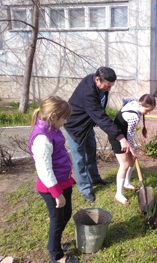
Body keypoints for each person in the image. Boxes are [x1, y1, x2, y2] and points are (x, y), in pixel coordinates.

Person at [64, 67, 133, 203]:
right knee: (80, 159)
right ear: (97, 79)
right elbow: (100, 117)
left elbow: (98, 113)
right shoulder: (88, 93)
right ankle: (85, 189)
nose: (109, 89)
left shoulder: (98, 83)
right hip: (75, 127)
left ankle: (95, 178)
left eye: (111, 86)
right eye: (107, 86)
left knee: (91, 153)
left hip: (87, 124)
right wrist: (120, 137)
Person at [28, 96, 79, 263]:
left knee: (66, 215)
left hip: (63, 182)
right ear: (54, 117)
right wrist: (57, 193)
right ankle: (55, 256)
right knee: (57, 221)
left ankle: (54, 243)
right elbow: (44, 169)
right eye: (64, 118)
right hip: (52, 189)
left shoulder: (52, 129)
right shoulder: (42, 138)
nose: (65, 122)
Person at [108, 94, 156, 205]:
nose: (148, 113)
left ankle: (127, 184)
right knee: (124, 165)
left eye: (150, 111)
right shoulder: (133, 116)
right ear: (140, 104)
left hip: (123, 135)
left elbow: (125, 99)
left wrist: (132, 153)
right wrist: (133, 150)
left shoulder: (135, 101)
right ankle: (118, 195)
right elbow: (130, 135)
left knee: (131, 161)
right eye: (147, 110)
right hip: (117, 137)